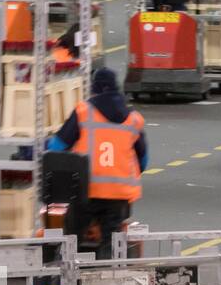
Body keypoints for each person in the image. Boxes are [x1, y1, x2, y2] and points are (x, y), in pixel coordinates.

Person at [46, 68, 149, 261]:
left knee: (73, 236)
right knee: (112, 240)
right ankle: (107, 273)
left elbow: (57, 146)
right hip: (119, 194)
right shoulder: (134, 118)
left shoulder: (84, 111)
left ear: (94, 89)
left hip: (87, 190)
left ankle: (70, 272)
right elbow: (143, 160)